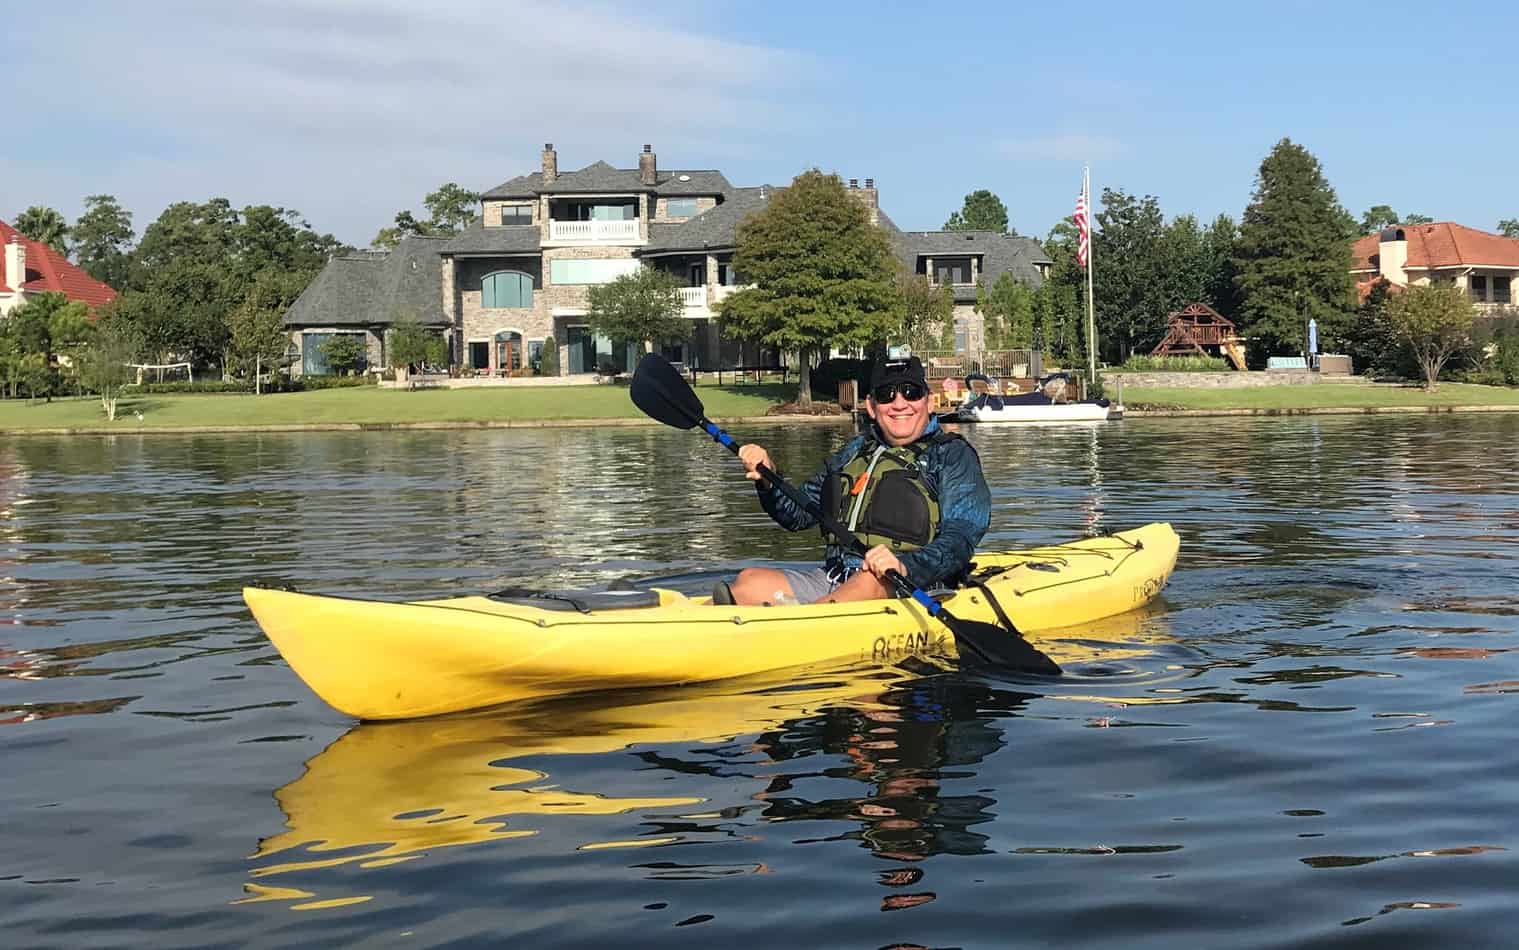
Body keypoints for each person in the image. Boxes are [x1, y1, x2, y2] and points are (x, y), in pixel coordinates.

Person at [715, 356, 990, 606]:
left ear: (929, 401)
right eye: (886, 394)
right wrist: (768, 477)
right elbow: (797, 514)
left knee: (868, 582)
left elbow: (962, 537)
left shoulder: (952, 455)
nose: (899, 403)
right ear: (871, 406)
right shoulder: (856, 451)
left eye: (911, 392)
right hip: (836, 577)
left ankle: (799, 627)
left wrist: (906, 566)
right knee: (750, 581)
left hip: (906, 584)